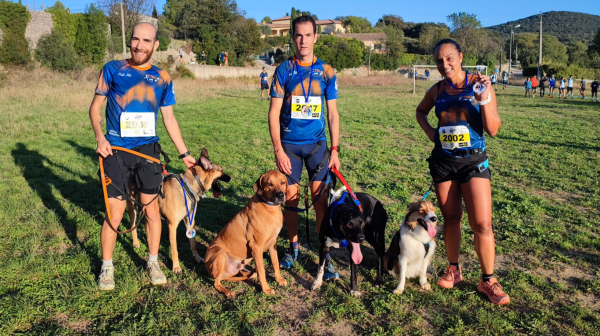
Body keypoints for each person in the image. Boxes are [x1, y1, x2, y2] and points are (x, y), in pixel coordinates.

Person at [89, 23, 197, 290]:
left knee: (151, 212)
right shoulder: (112, 70)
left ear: (155, 45)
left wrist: (185, 154)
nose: (139, 45)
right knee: (114, 214)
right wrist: (100, 138)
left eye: (146, 41)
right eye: (135, 39)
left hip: (148, 152)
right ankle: (107, 267)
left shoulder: (162, 77)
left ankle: (153, 261)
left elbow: (168, 118)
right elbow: (94, 109)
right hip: (116, 151)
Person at [415, 39, 509, 305]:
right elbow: (421, 112)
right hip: (444, 163)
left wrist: (484, 99)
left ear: (460, 57)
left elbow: (493, 129)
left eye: (449, 59)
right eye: (439, 61)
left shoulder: (479, 85)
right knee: (452, 218)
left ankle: (488, 279)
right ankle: (454, 270)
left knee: (482, 223)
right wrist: (431, 133)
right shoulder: (437, 90)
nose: (444, 65)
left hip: (473, 163)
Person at [268, 15, 341, 281]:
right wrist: (278, 149)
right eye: (298, 35)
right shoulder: (284, 70)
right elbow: (273, 112)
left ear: (315, 37)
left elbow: (333, 114)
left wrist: (335, 149)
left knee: (321, 203)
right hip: (289, 147)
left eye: (308, 35)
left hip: (317, 147)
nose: (303, 41)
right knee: (291, 200)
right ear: (292, 38)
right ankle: (294, 248)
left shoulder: (327, 71)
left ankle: (325, 255)